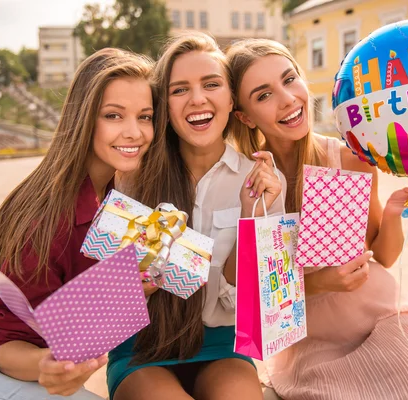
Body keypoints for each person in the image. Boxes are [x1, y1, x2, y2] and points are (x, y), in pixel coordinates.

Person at [226, 38, 408, 400]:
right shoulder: (243, 180)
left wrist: (396, 211)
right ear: (243, 116)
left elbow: (382, 256)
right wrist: (316, 283)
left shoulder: (349, 157)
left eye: (290, 79)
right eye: (263, 95)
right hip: (308, 345)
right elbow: (241, 289)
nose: (287, 98)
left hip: (381, 323)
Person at [0, 48, 156, 400]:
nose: (134, 132)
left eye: (145, 116)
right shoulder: (44, 215)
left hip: (27, 362)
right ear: (83, 119)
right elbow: (8, 351)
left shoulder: (112, 199)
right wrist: (51, 363)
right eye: (113, 115)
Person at [107, 32, 284, 400]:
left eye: (211, 84)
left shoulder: (263, 181)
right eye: (179, 89)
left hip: (222, 345)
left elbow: (251, 305)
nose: (197, 99)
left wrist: (252, 218)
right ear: (163, 106)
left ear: (231, 97)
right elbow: (111, 292)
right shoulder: (129, 176)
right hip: (143, 347)